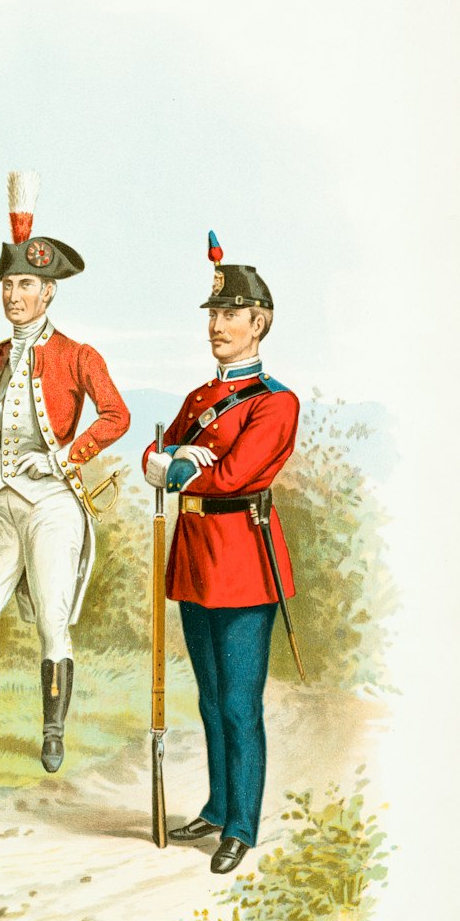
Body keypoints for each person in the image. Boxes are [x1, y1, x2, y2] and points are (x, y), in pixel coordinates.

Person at [0, 172, 130, 775]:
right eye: (9, 284)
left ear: (49, 293)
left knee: (51, 620)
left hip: (53, 506)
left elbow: (116, 416)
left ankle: (53, 732)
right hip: (3, 507)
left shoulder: (77, 356)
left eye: (27, 285)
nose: (14, 296)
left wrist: (67, 456)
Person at [142, 233, 299, 874]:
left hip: (243, 564)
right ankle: (216, 802)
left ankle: (241, 824)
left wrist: (175, 468)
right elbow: (157, 455)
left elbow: (235, 476)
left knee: (239, 704)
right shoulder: (199, 399)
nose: (217, 326)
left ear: (259, 323)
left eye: (230, 315)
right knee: (208, 700)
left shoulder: (275, 403)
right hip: (195, 558)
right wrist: (169, 460)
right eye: (212, 315)